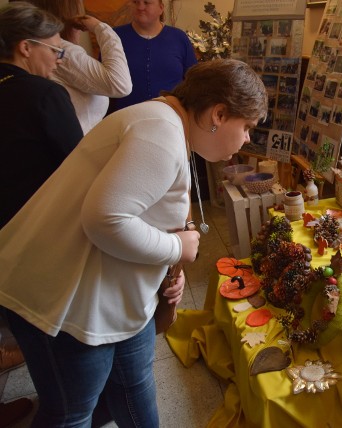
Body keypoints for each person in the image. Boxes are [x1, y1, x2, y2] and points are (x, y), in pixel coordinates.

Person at [0, 56, 267, 426]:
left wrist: (170, 262)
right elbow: (105, 218)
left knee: (134, 384)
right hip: (65, 298)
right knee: (72, 412)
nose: (247, 139)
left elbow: (150, 207)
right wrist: (178, 249)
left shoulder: (167, 121)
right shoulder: (161, 131)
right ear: (218, 114)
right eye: (248, 127)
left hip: (109, 290)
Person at [0, 2, 84, 425]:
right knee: (54, 360)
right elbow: (79, 166)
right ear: (25, 47)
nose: (58, 59)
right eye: (55, 50)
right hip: (34, 238)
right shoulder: (44, 94)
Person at [19, 0, 132, 134]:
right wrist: (101, 28)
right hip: (78, 148)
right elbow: (121, 85)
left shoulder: (49, 49)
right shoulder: (62, 51)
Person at [111, 0, 197, 111]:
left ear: (161, 8)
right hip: (125, 118)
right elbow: (103, 80)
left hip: (171, 117)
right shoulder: (114, 37)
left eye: (146, 3)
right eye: (136, 2)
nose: (140, 7)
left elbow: (194, 80)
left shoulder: (178, 37)